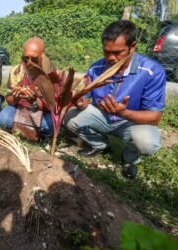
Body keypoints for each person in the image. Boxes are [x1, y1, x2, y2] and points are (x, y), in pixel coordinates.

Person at [65, 20, 166, 179]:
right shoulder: (97, 68)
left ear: (132, 47)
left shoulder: (151, 71)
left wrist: (123, 112)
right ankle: (100, 145)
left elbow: (155, 117)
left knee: (148, 142)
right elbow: (83, 100)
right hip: (103, 116)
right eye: (106, 52)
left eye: (118, 52)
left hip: (131, 122)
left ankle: (129, 158)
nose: (111, 58)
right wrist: (78, 99)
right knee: (71, 118)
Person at [0, 37, 53, 137]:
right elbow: (9, 100)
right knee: (3, 118)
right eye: (26, 58)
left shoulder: (50, 73)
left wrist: (35, 101)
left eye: (34, 59)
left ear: (43, 57)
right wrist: (16, 97)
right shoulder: (17, 71)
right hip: (20, 109)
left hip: (41, 113)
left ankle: (22, 130)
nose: (29, 62)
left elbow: (52, 105)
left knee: (51, 123)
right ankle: (32, 132)